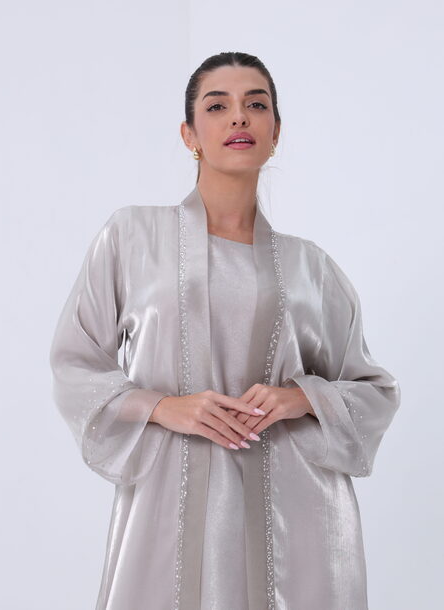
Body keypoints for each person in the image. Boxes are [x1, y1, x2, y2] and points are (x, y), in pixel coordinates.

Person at [49, 51, 401, 610]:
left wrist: (300, 398)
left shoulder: (312, 267)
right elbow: (75, 363)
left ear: (275, 131)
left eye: (256, 105)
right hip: (169, 499)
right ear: (189, 134)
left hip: (297, 515)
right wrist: (163, 407)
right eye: (218, 106)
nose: (239, 116)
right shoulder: (132, 237)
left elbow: (374, 391)